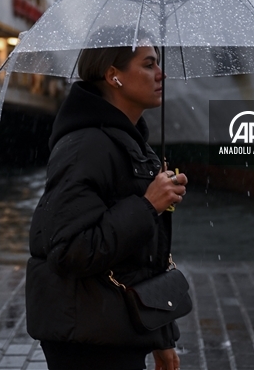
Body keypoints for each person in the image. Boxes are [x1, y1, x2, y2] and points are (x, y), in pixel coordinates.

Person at [26, 43, 189, 370]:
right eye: (149, 65)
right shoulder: (86, 146)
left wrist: (161, 335)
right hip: (86, 340)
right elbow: (70, 249)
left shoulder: (131, 146)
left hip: (113, 327)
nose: (161, 74)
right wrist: (148, 206)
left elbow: (142, 260)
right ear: (114, 75)